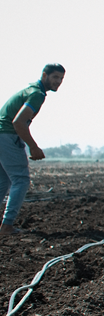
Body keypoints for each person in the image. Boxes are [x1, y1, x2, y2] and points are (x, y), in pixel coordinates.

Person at [0, 64, 66, 237]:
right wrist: (33, 146)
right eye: (55, 77)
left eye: (61, 78)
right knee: (21, 180)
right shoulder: (36, 94)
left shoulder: (32, 90)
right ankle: (7, 226)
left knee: (4, 181)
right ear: (45, 75)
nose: (58, 82)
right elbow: (18, 122)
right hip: (7, 135)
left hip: (2, 135)